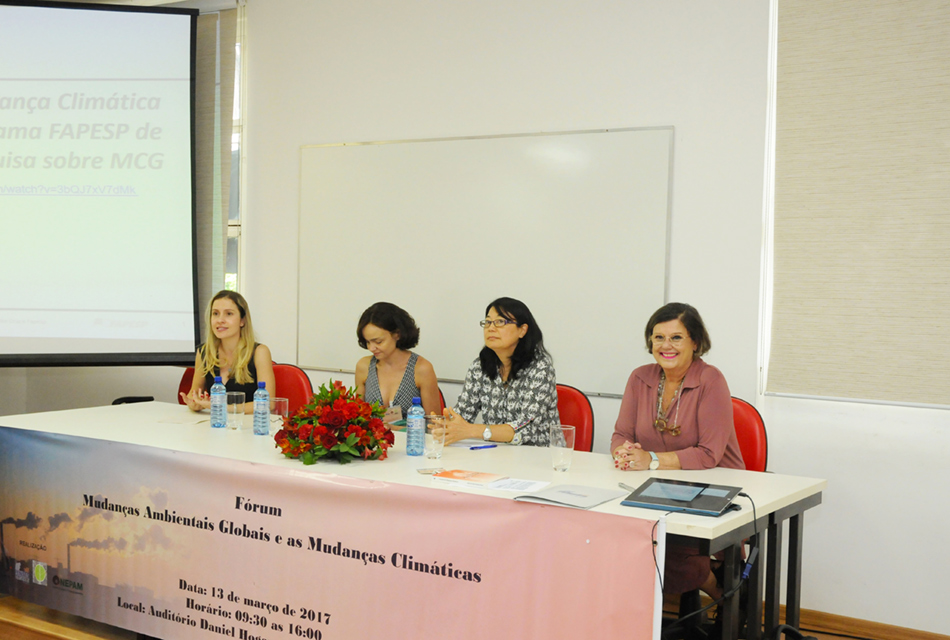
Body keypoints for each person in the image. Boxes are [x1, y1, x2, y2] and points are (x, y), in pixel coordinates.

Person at [611, 302, 744, 598]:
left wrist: (652, 460)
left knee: (665, 554)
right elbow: (622, 433)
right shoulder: (640, 377)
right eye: (658, 337)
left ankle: (715, 586)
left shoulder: (711, 380)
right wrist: (625, 452)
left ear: (695, 342)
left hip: (712, 490)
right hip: (655, 489)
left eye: (676, 338)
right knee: (614, 537)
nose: (666, 346)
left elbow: (709, 454)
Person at [441, 297, 559, 446]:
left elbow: (525, 428)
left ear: (522, 330)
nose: (491, 328)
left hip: (539, 457)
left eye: (500, 322)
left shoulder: (540, 368)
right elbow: (463, 415)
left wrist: (471, 430)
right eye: (488, 322)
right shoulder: (479, 367)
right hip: (496, 454)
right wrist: (447, 424)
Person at [180, 290, 275, 414]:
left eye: (229, 314)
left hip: (249, 428)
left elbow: (269, 403)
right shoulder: (204, 352)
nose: (220, 320)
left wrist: (218, 406)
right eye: (215, 314)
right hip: (215, 426)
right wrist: (195, 403)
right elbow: (194, 393)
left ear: (242, 320)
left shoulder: (260, 352)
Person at [354, 302, 441, 420]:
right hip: (374, 438)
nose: (371, 348)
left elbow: (434, 423)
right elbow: (357, 417)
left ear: (397, 335)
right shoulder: (364, 366)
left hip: (410, 437)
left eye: (378, 342)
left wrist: (397, 429)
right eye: (368, 342)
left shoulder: (421, 369)